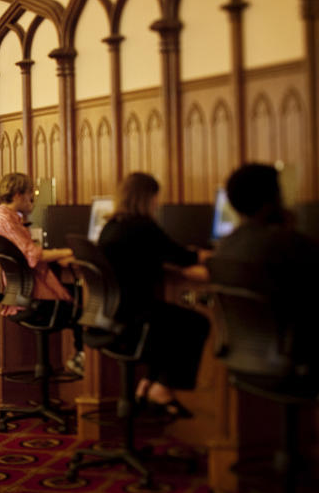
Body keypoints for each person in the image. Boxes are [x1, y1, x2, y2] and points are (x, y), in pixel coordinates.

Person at [98, 172, 210, 418]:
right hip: (134, 318)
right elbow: (182, 256)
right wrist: (208, 256)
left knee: (170, 320)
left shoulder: (111, 225)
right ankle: (160, 387)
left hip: (110, 317)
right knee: (196, 323)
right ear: (147, 198)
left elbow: (154, 254)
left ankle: (148, 383)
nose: (158, 204)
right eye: (156, 198)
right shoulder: (142, 226)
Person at [208, 163, 319, 363]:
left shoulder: (224, 247)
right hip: (297, 358)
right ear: (274, 199)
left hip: (245, 360)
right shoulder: (289, 244)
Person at [0, 172, 84, 375]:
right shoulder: (7, 221)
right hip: (34, 299)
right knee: (86, 301)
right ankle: (81, 358)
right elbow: (34, 254)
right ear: (18, 195)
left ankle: (78, 358)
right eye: (31, 195)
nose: (33, 200)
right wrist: (73, 251)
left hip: (17, 296)